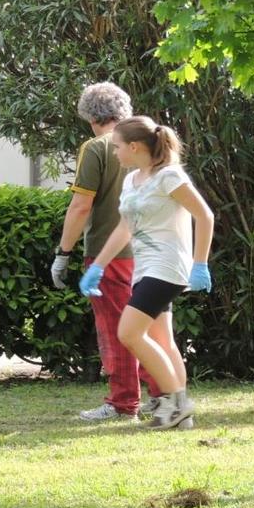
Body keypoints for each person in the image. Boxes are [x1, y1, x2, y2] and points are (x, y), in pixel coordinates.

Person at [79, 116, 214, 430]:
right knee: (162, 339)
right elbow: (125, 227)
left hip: (167, 267)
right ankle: (182, 415)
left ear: (135, 146)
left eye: (117, 147)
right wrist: (99, 265)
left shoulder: (169, 176)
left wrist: (200, 263)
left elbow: (204, 216)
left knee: (128, 332)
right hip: (145, 268)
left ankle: (175, 403)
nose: (114, 153)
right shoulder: (132, 179)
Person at [52, 82, 163, 422]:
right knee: (150, 328)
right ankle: (164, 395)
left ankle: (122, 402)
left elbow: (80, 206)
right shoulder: (150, 143)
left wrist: (63, 253)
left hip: (109, 253)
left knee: (117, 329)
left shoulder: (97, 147)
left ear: (89, 116)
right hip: (151, 250)